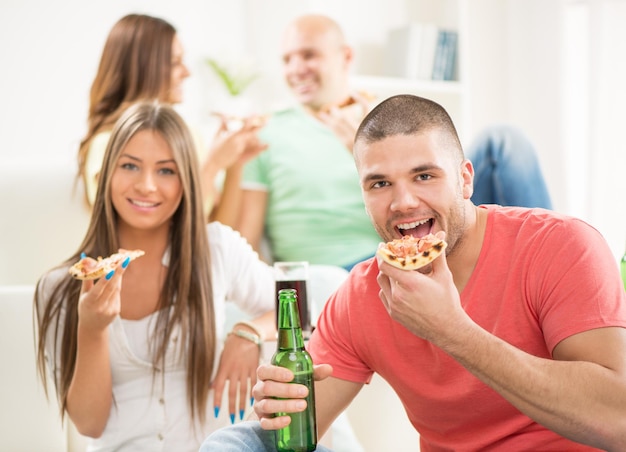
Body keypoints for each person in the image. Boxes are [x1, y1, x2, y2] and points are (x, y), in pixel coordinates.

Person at [200, 94, 626, 451]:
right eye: (379, 183)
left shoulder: (561, 246)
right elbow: (296, 432)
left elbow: (617, 419)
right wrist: (280, 408)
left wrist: (453, 331)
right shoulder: (361, 296)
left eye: (424, 176)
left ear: (464, 180)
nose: (403, 202)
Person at [35, 101, 276, 451]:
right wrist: (91, 328)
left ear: (186, 182)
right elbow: (89, 423)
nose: (147, 185)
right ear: (104, 176)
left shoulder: (216, 249)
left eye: (166, 171)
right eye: (130, 166)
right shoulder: (59, 288)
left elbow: (301, 305)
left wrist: (250, 332)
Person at [236, 14, 552, 271]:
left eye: (308, 55)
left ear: (345, 56)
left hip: (419, 234)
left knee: (503, 143)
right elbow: (246, 242)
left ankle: (546, 260)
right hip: (336, 269)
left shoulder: (386, 118)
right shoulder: (266, 133)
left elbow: (423, 191)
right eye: (287, 59)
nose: (295, 69)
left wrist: (359, 145)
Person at [78, 13, 267, 223]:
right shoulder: (108, 143)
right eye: (175, 62)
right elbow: (161, 238)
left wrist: (234, 163)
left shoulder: (188, 136)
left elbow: (217, 234)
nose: (187, 73)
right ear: (144, 68)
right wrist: (213, 164)